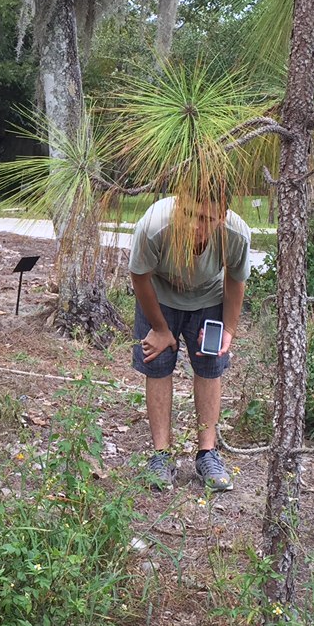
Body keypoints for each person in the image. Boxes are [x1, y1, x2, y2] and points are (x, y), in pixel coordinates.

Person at [129, 188, 250, 491]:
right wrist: (159, 329)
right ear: (178, 205)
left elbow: (236, 280)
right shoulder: (155, 226)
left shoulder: (236, 234)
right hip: (158, 295)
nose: (197, 226)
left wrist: (229, 330)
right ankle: (161, 455)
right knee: (157, 364)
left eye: (207, 219)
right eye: (190, 215)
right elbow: (139, 276)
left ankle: (207, 453)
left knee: (210, 366)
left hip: (208, 296)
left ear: (222, 217)